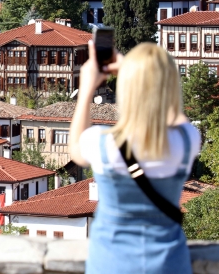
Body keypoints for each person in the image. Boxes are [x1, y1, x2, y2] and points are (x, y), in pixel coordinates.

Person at [69, 41, 200, 274]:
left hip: (111, 264)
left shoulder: (102, 143)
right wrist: (148, 78)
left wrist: (87, 86)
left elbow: (76, 150)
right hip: (169, 264)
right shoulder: (186, 140)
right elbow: (176, 115)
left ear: (126, 87)